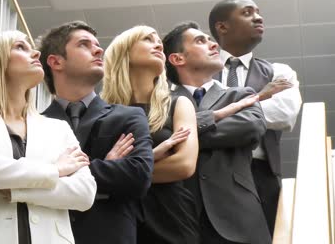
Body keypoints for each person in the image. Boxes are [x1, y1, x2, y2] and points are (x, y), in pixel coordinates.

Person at [0, 30, 96, 244]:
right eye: (20, 47)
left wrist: (16, 190)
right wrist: (55, 170)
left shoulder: (59, 128)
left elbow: (84, 193)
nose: (35, 53)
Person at [39, 21, 154, 244]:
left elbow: (138, 176)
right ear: (55, 61)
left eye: (97, 45)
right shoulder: (35, 123)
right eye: (84, 44)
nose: (99, 49)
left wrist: (57, 172)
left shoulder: (129, 116)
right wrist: (107, 164)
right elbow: (24, 181)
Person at [163, 22, 271, 244]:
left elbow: (251, 128)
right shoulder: (161, 106)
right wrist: (219, 118)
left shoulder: (241, 95)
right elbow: (163, 140)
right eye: (200, 41)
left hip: (239, 219)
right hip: (182, 221)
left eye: (210, 39)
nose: (213, 45)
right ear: (177, 59)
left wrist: (184, 137)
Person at [209, 0, 302, 235]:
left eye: (258, 12)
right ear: (222, 26)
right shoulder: (198, 71)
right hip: (207, 176)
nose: (258, 17)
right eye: (248, 12)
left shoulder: (280, 72)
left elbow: (284, 114)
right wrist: (259, 99)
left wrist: (214, 116)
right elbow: (186, 118)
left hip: (260, 176)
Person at [101, 25, 200, 244]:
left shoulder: (178, 103)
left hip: (172, 217)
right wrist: (152, 157)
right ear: (123, 52)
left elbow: (184, 165)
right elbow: (89, 173)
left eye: (159, 41)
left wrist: (119, 174)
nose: (158, 44)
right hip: (117, 220)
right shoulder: (102, 113)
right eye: (147, 39)